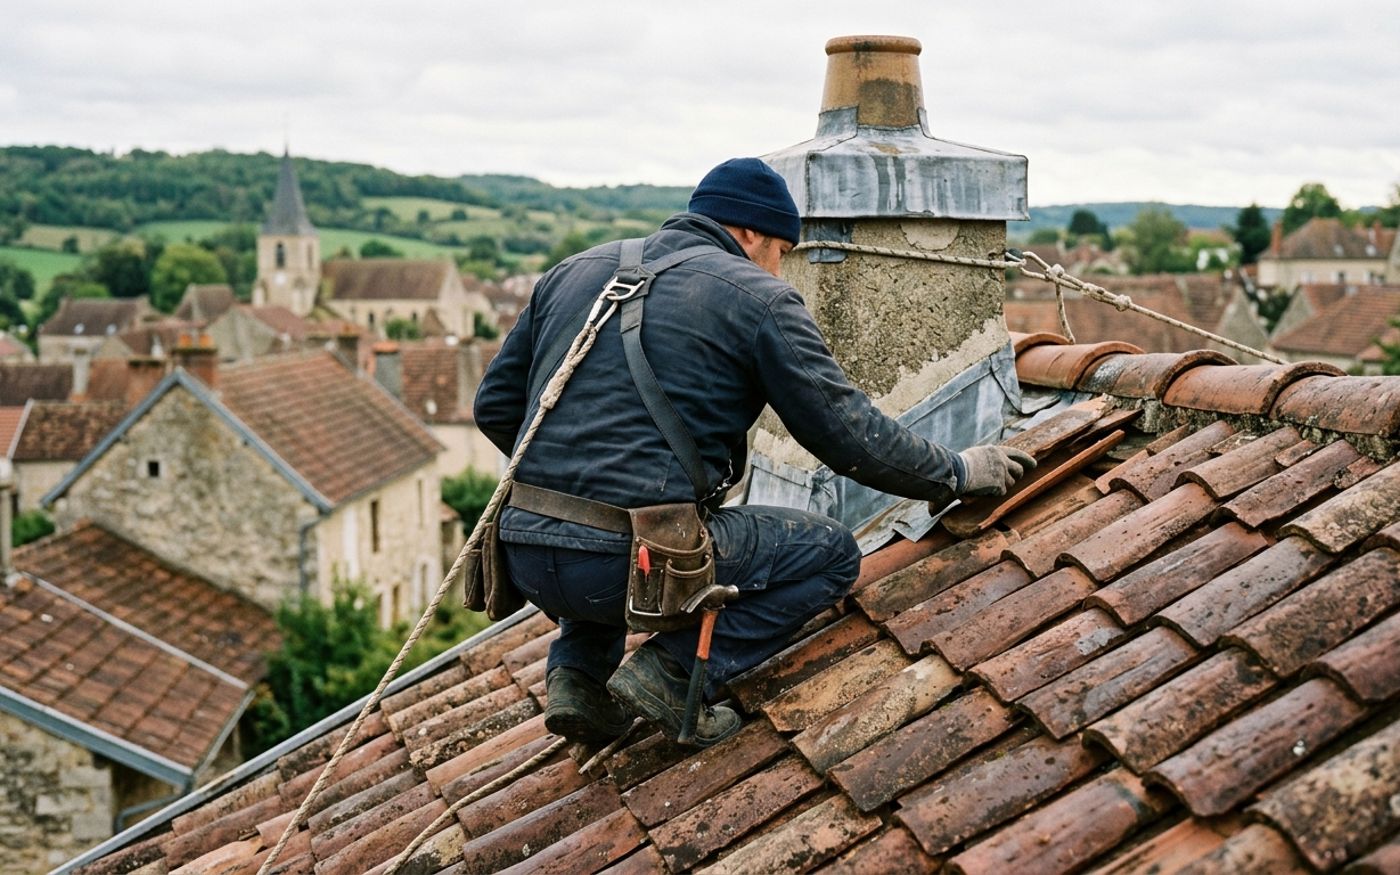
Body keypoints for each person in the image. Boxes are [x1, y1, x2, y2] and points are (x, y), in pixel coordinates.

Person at [474, 157, 1034, 748]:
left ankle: (577, 679)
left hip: (523, 556)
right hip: (627, 568)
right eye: (782, 252)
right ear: (752, 233)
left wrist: (564, 484)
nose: (781, 266)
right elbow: (848, 436)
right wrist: (956, 470)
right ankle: (673, 672)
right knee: (832, 555)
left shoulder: (572, 272)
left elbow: (494, 408)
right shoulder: (758, 298)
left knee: (606, 519)